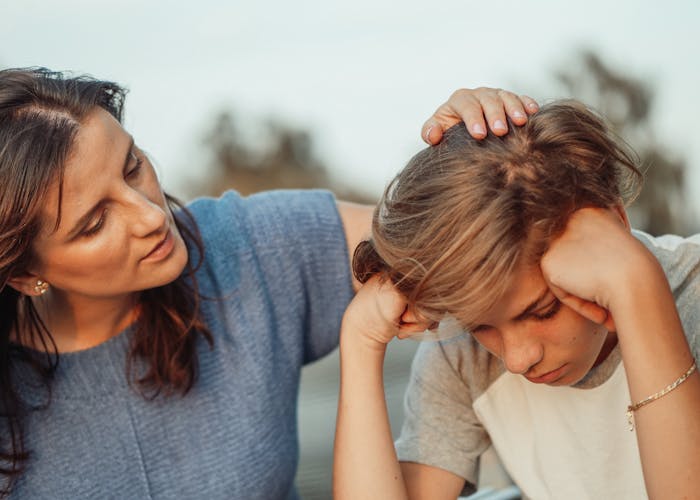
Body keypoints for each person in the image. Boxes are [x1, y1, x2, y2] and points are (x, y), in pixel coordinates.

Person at [0, 67, 537, 498]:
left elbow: (458, 239)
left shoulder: (248, 247)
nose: (149, 216)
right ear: (26, 275)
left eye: (133, 166)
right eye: (95, 222)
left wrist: (482, 155)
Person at [333, 100, 700, 499]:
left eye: (543, 311)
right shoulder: (463, 350)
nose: (517, 358)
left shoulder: (692, 293)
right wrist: (360, 340)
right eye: (481, 326)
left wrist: (637, 288)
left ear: (615, 224)